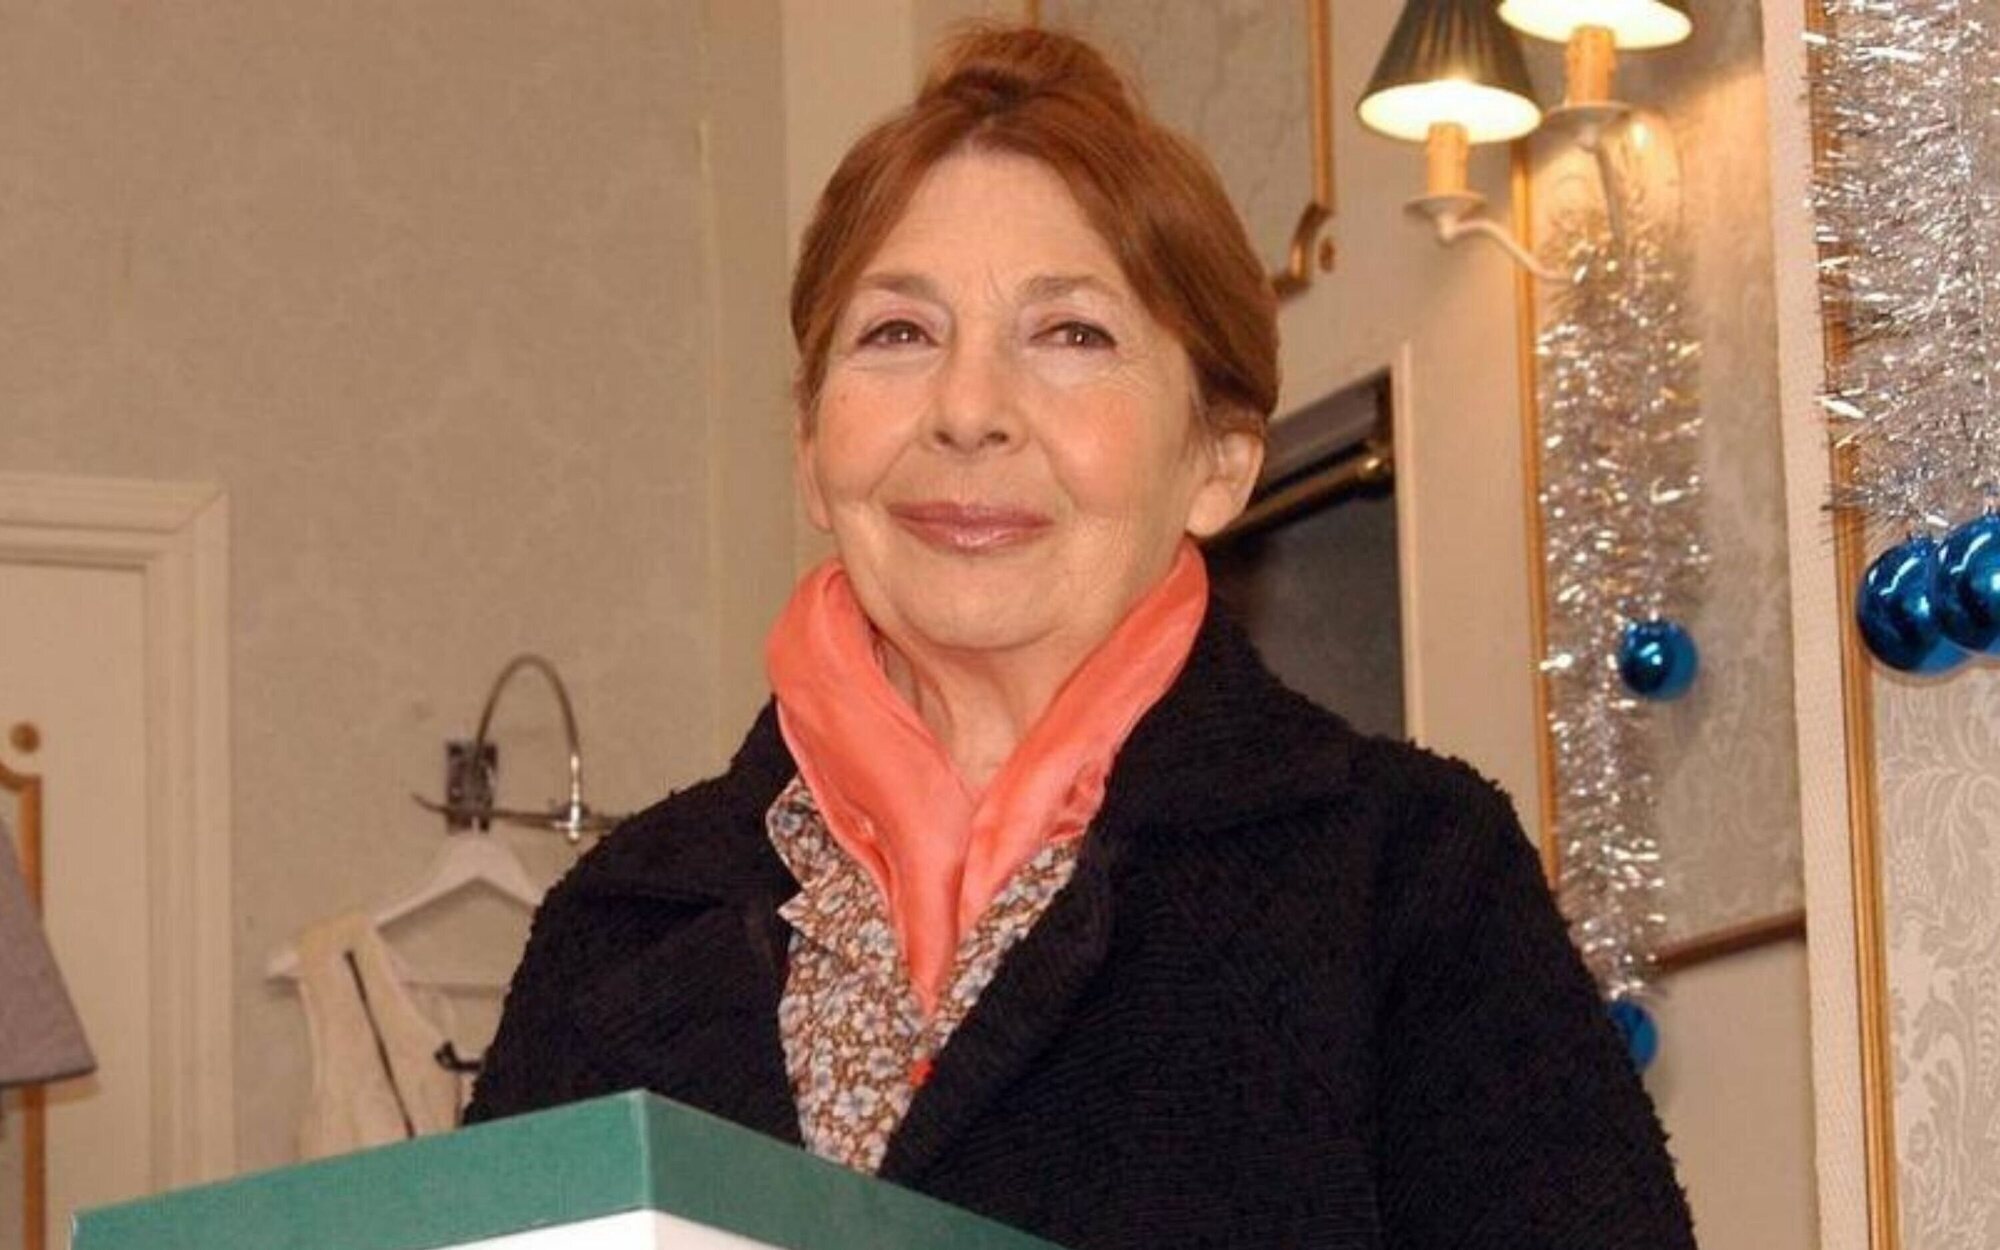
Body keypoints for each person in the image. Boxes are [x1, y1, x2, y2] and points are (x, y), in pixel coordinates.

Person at [466, 24, 1696, 1250]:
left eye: (1070, 334)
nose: (966, 410)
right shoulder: (614, 928)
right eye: (897, 333)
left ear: (1217, 460)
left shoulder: (1405, 879)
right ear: (808, 446)